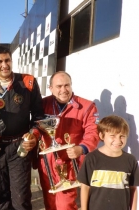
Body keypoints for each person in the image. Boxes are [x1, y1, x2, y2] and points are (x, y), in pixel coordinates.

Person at [0, 45, 44, 210]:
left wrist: (33, 134)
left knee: (21, 199)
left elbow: (39, 115)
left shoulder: (28, 82)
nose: (4, 65)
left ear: (11, 61)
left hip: (19, 147)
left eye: (7, 60)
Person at [37, 71, 100, 210]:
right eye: (59, 86)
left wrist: (82, 148)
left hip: (70, 162)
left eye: (67, 85)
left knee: (65, 204)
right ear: (51, 88)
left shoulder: (87, 106)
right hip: (47, 162)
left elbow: (93, 132)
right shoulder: (43, 104)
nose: (63, 90)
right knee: (50, 203)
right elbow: (35, 126)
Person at [78, 115, 139, 210]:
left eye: (122, 136)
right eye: (112, 136)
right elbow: (85, 187)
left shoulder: (130, 160)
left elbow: (133, 189)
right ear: (102, 136)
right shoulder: (91, 158)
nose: (118, 140)